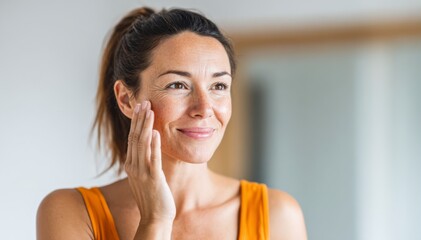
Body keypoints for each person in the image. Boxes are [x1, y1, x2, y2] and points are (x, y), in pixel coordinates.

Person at [36, 6, 307, 240]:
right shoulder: (70, 212)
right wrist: (154, 221)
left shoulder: (276, 215)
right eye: (178, 85)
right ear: (126, 100)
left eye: (219, 85)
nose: (204, 108)